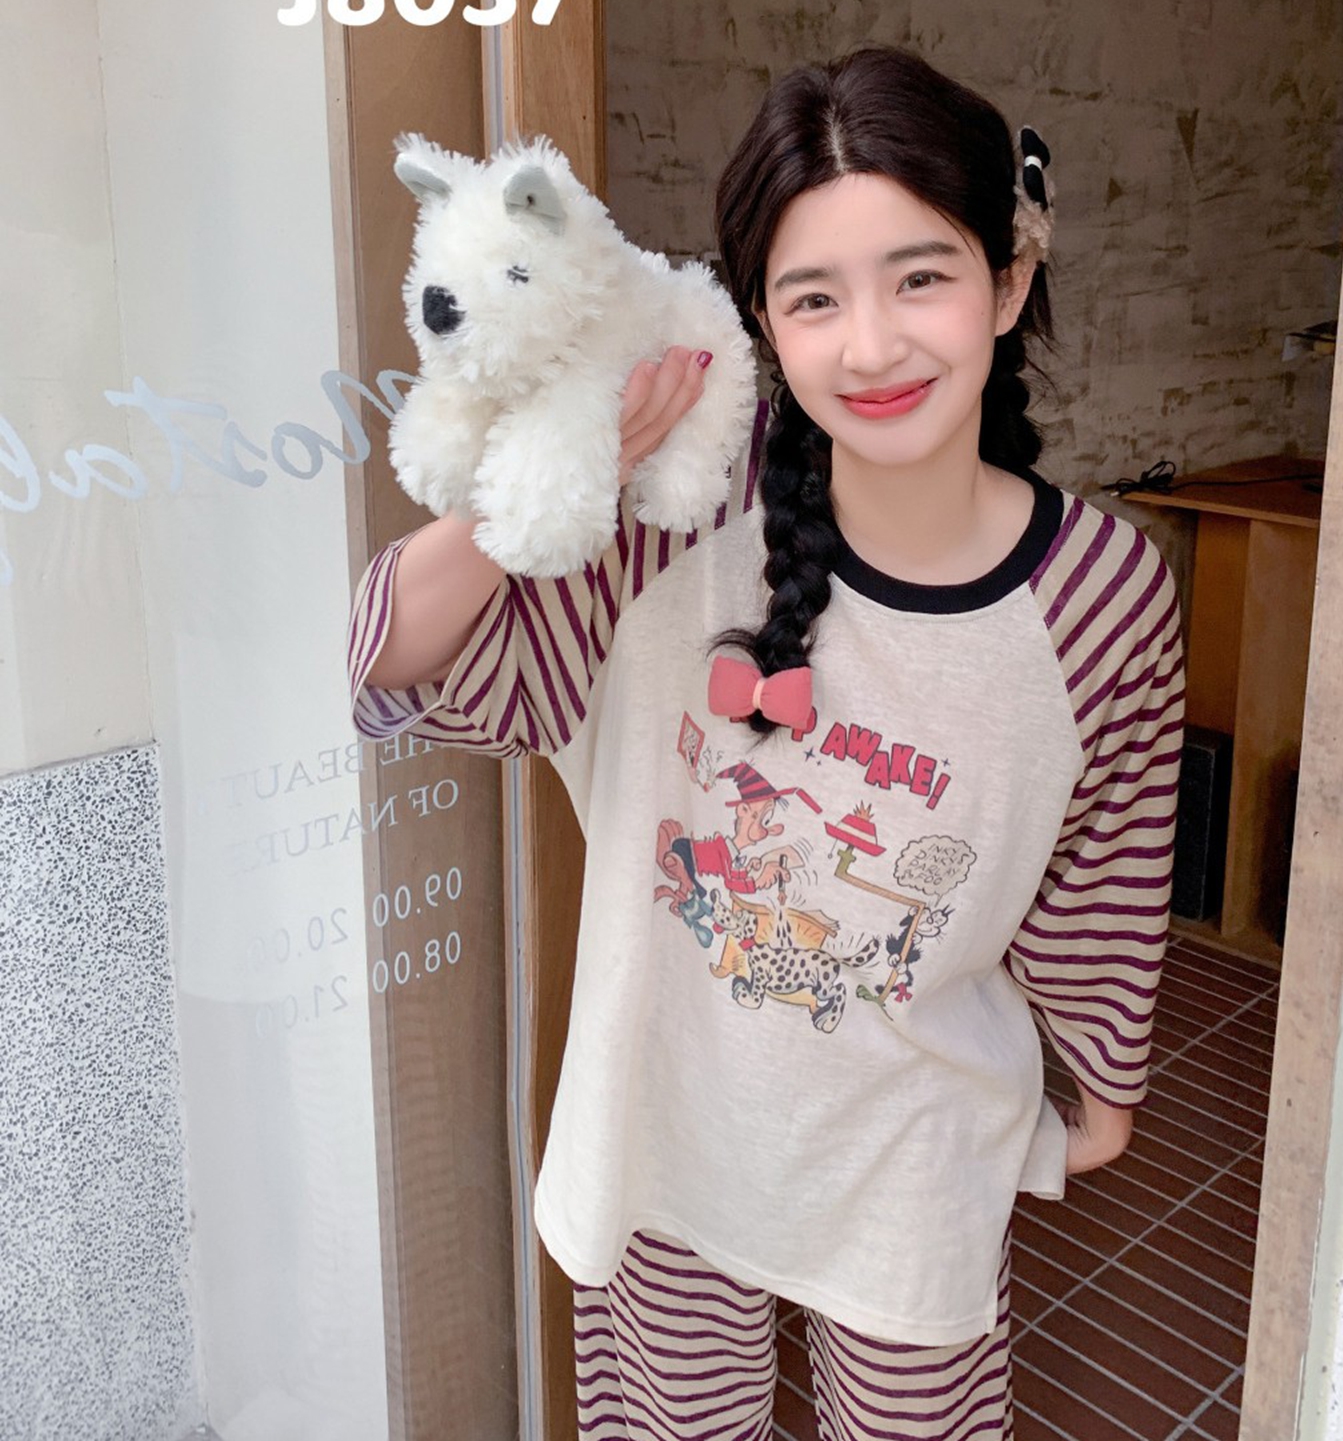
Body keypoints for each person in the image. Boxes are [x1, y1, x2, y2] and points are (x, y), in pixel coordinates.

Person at [347, 44, 1184, 1441]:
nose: (871, 345)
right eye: (814, 297)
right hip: (663, 1132)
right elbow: (390, 657)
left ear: (1008, 280)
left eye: (921, 277)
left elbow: (1099, 868)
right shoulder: (673, 523)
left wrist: (1105, 1075)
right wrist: (569, 475)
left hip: (914, 1162)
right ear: (761, 324)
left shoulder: (1102, 594)